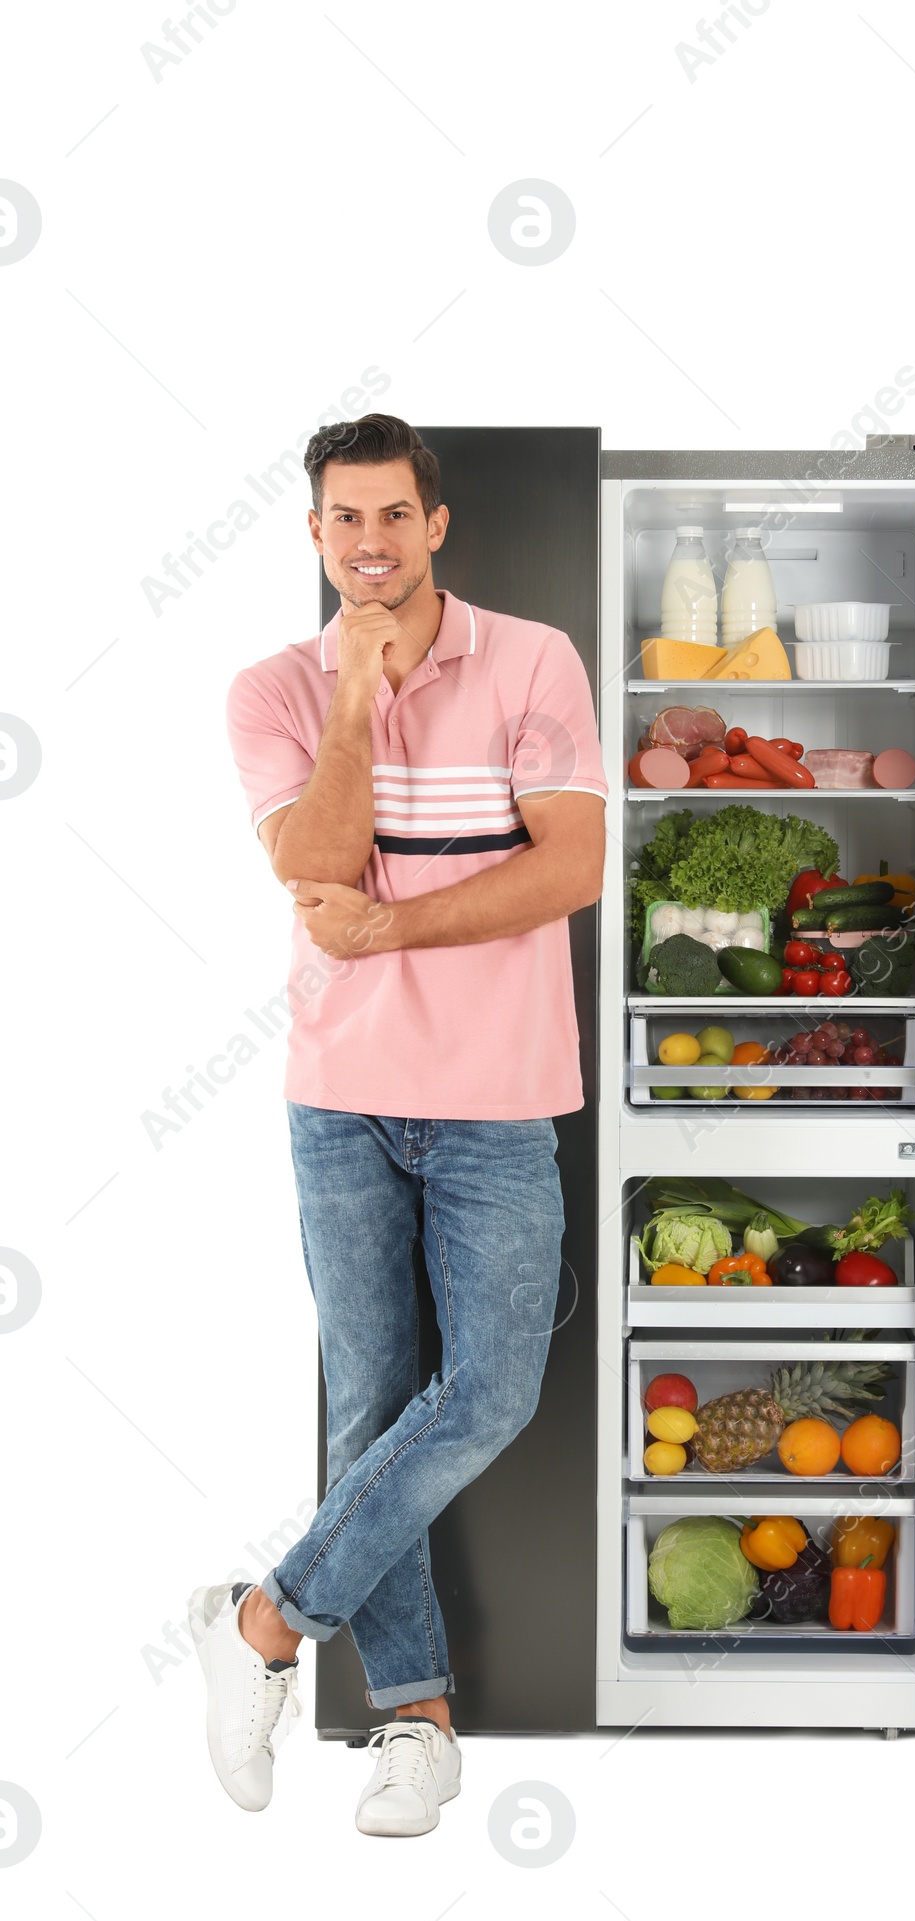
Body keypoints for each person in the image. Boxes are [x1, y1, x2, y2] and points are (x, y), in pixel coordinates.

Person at [190, 413, 606, 1836]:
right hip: (341, 1098)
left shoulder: (534, 661)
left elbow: (571, 868)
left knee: (487, 1393)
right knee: (368, 1410)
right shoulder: (274, 691)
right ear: (315, 537)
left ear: (438, 526)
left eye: (391, 517)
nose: (367, 545)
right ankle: (418, 1721)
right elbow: (304, 864)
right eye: (340, 522)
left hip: (497, 1096)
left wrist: (395, 924)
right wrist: (359, 702)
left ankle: (261, 1620)